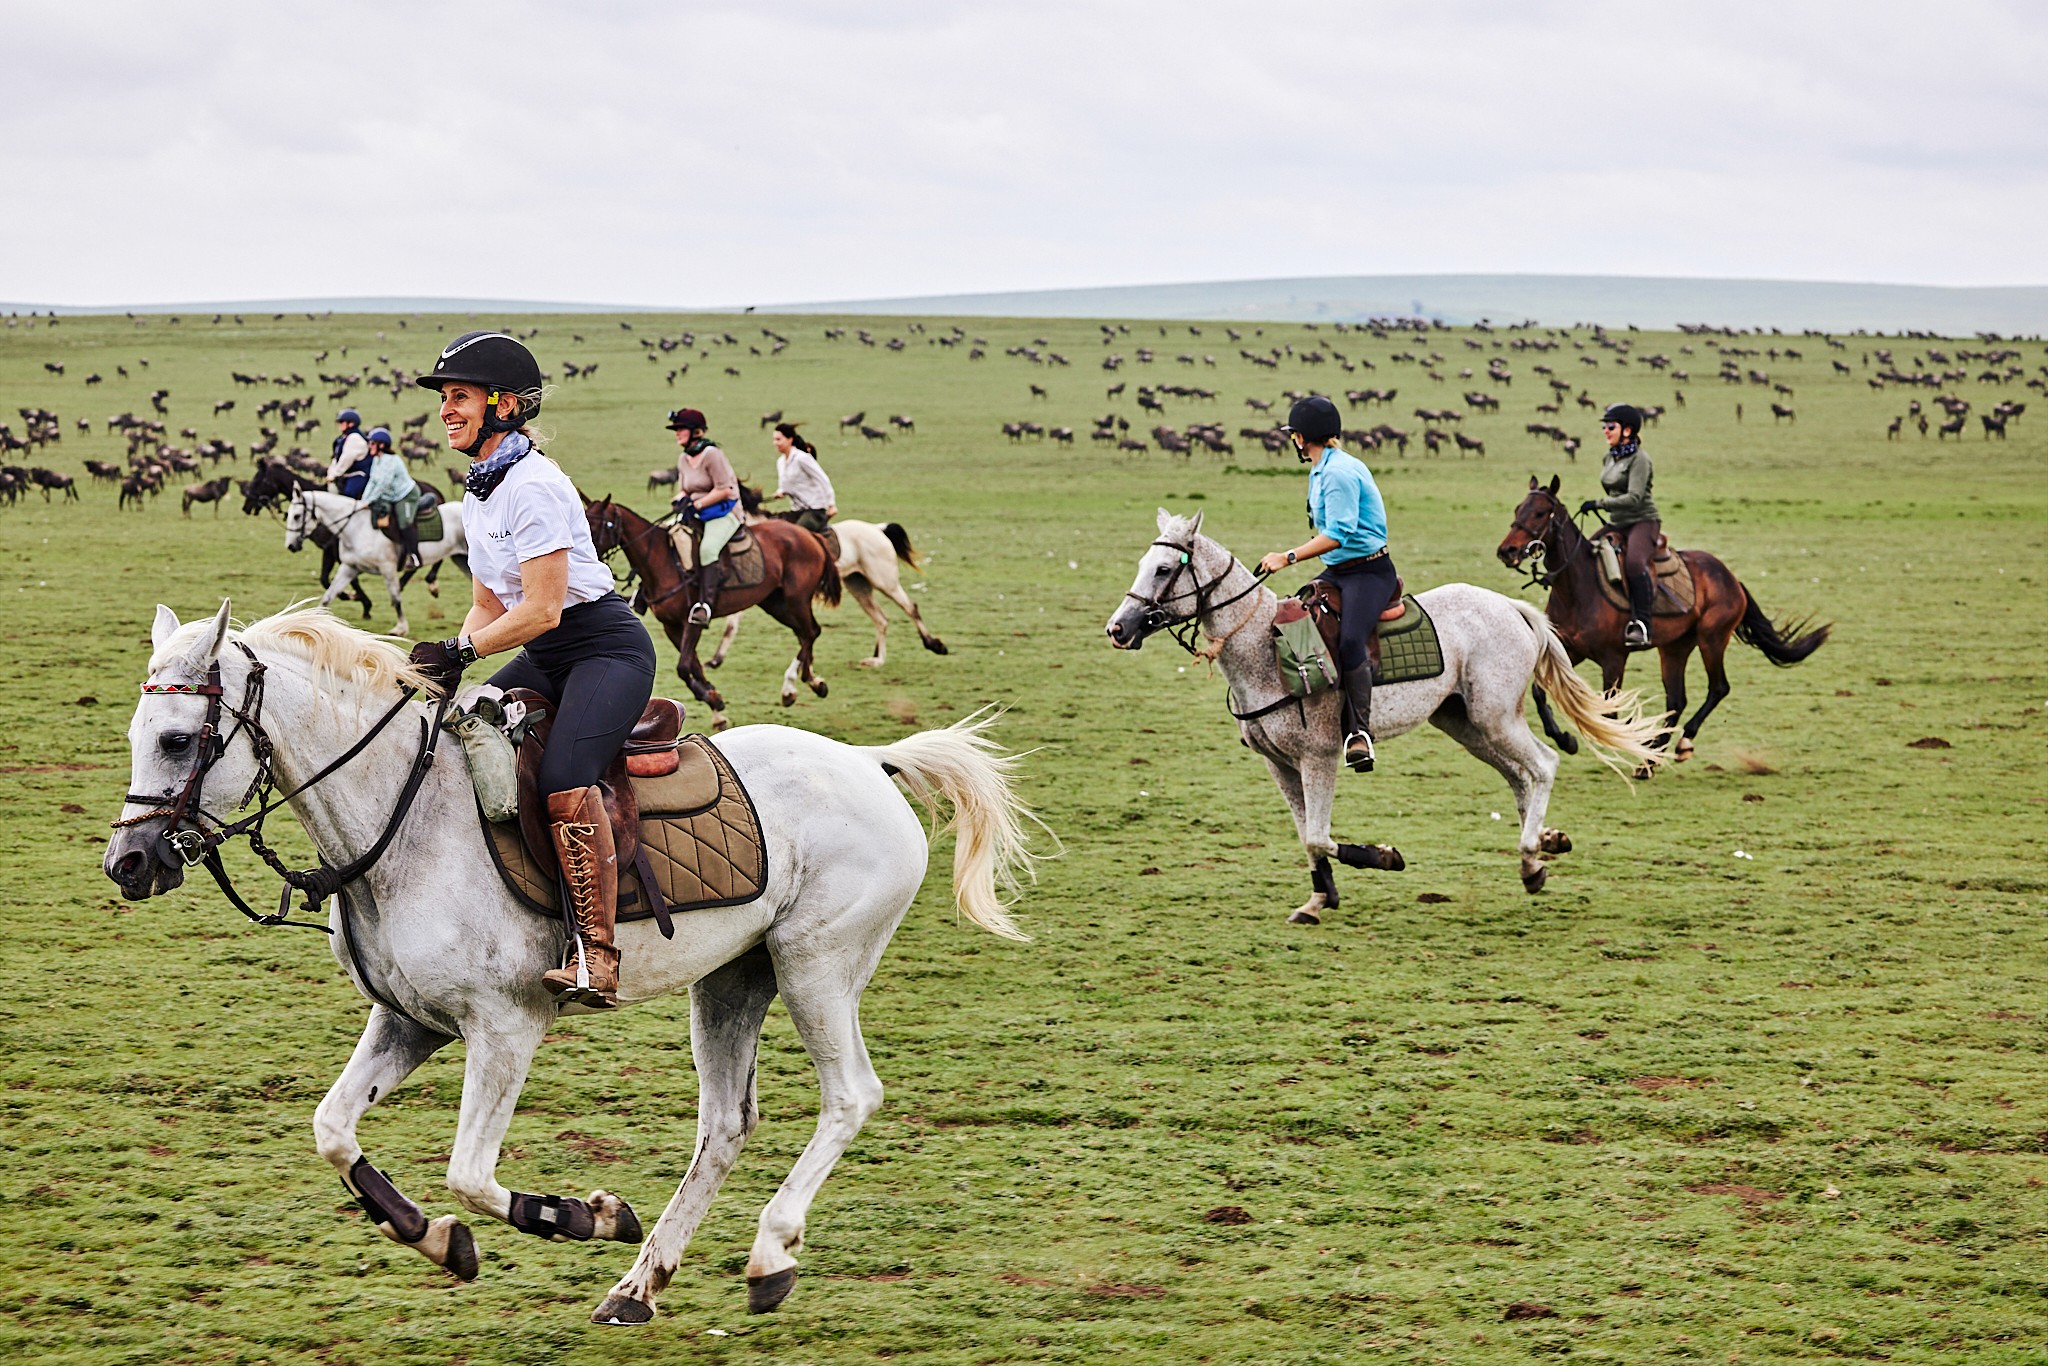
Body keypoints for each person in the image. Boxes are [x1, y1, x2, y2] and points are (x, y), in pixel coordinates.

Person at [406, 331, 656, 1010]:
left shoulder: (535, 486)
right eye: (445, 398)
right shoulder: (481, 489)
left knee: (562, 778)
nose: (446, 410)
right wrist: (442, 670)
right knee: (455, 734)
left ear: (505, 405)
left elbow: (543, 609)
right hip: (544, 652)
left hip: (603, 649)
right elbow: (489, 604)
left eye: (460, 397)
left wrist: (463, 652)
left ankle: (596, 954)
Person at [1257, 395, 1394, 774]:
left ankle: (1359, 733)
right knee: (1297, 619)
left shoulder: (1337, 474)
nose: (1293, 440)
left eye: (1294, 435)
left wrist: (1287, 557)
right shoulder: (1322, 468)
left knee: (1350, 641)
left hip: (1368, 572)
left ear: (1302, 437)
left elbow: (1337, 535)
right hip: (1338, 571)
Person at [1579, 402, 1659, 649]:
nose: (1605, 430)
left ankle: (1642, 625)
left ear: (1627, 430)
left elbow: (1634, 497)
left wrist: (1600, 503)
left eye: (1610, 426)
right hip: (1618, 522)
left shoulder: (1640, 459)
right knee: (1584, 553)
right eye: (1604, 426)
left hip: (1642, 521)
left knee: (1634, 563)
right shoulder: (1610, 457)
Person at [667, 407, 741, 625]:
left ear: (695, 431)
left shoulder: (712, 455)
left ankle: (705, 605)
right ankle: (644, 593)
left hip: (724, 511)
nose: (677, 433)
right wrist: (679, 500)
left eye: (681, 429)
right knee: (664, 533)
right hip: (697, 511)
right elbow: (684, 489)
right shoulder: (683, 458)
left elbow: (725, 489)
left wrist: (696, 504)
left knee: (707, 549)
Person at [320, 408, 373, 587]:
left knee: (347, 499)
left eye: (342, 422)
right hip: (346, 475)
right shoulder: (343, 439)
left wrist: (335, 474)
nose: (340, 425)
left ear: (351, 423)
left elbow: (346, 460)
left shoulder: (355, 439)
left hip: (359, 475)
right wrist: (331, 473)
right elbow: (336, 460)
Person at [359, 426, 423, 571]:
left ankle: (415, 556)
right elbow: (372, 481)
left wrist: (370, 501)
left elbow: (383, 484)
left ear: (381, 445)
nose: (369, 446)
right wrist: (363, 501)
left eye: (372, 443)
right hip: (392, 496)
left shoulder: (390, 461)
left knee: (404, 522)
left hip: (406, 495)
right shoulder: (377, 459)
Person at [767, 421, 835, 534]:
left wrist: (831, 504)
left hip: (814, 509)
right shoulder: (780, 462)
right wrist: (780, 492)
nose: (775, 443)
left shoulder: (802, 458)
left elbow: (822, 479)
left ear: (790, 440)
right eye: (774, 439)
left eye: (778, 439)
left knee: (795, 534)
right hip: (797, 510)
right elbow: (785, 484)